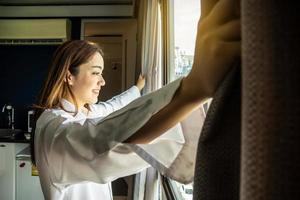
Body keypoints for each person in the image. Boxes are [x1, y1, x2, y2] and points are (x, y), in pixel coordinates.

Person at [31, 0, 240, 199]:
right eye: (96, 72)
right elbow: (96, 144)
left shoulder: (88, 112)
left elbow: (115, 106)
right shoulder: (52, 127)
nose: (102, 82)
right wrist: (190, 92)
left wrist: (136, 88)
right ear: (69, 76)